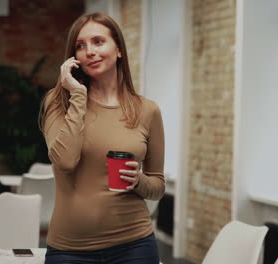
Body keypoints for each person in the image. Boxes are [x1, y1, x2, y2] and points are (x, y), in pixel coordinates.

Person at [39, 12, 165, 264]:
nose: (90, 51)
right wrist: (76, 94)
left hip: (135, 245)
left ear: (118, 49)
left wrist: (138, 181)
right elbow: (65, 161)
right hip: (69, 250)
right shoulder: (58, 102)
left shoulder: (147, 110)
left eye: (98, 41)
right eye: (80, 46)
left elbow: (157, 186)